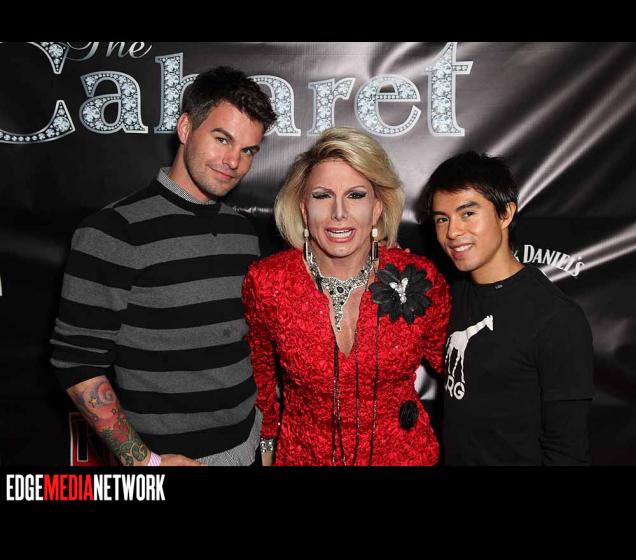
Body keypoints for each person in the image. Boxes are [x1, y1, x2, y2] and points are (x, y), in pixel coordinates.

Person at [50, 66, 277, 466]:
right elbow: (77, 363)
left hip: (249, 446)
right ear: (186, 128)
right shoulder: (113, 231)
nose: (233, 161)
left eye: (248, 151)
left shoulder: (242, 231)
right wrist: (142, 462)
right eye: (222, 139)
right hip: (171, 460)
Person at [242, 127, 450, 466]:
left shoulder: (418, 278)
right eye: (322, 196)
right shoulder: (268, 282)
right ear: (304, 209)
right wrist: (265, 453)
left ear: (377, 207)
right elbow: (261, 384)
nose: (339, 212)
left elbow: (463, 375)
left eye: (355, 195)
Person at [421, 151, 594, 465]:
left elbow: (567, 451)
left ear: (505, 213)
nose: (453, 232)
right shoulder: (450, 296)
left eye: (467, 213)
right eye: (442, 219)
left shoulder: (556, 318)